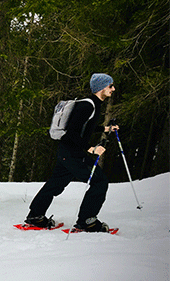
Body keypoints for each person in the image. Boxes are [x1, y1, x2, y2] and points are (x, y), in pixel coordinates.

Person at [24, 73, 119, 232]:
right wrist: (91, 149)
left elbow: (84, 128)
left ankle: (36, 216)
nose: (113, 89)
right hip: (72, 153)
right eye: (110, 86)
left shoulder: (92, 104)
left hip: (67, 152)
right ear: (101, 87)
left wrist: (105, 129)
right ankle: (87, 222)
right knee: (99, 181)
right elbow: (72, 132)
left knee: (56, 183)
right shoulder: (88, 106)